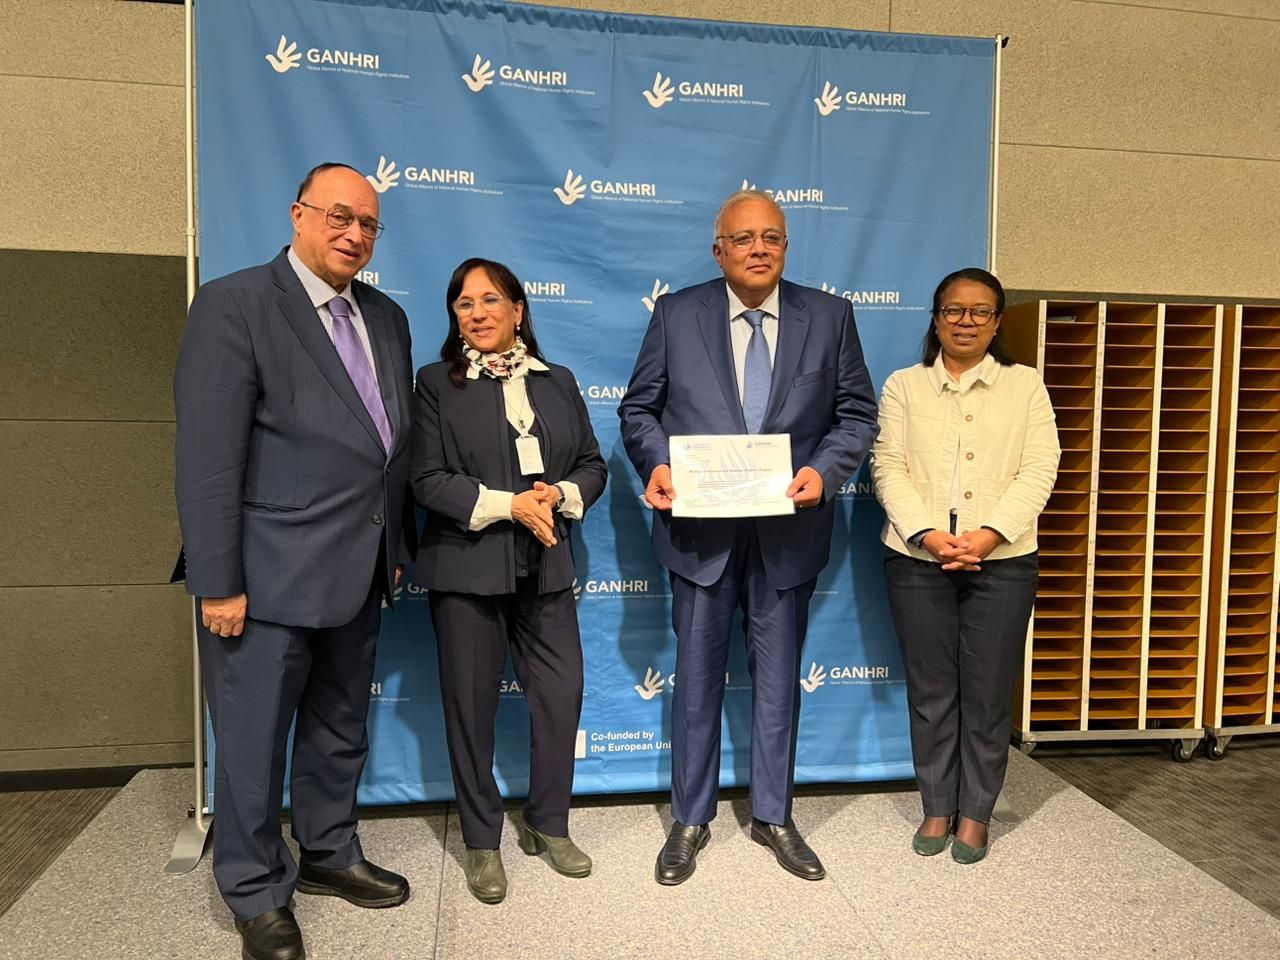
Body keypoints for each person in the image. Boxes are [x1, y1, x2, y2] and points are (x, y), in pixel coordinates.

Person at [174, 162, 415, 960]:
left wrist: (394, 547)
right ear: (299, 214)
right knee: (250, 746)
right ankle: (255, 890)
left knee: (340, 729)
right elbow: (208, 458)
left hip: (361, 568)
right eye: (339, 216)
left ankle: (328, 851)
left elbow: (389, 446)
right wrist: (217, 582)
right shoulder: (236, 304)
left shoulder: (386, 317)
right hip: (263, 579)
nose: (354, 234)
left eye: (369, 224)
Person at [618, 189, 879, 885]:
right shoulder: (676, 315)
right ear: (719, 250)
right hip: (699, 537)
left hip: (789, 535)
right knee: (696, 682)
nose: (759, 249)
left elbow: (857, 414)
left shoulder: (830, 316)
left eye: (772, 237)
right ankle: (690, 818)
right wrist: (658, 463)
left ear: (786, 245)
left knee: (779, 684)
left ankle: (774, 815)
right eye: (743, 238)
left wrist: (825, 471)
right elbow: (639, 409)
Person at [409, 258, 607, 904]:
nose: (478, 313)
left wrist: (560, 494)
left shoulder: (558, 381)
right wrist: (509, 505)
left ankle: (548, 823)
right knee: (471, 709)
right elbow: (427, 479)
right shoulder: (435, 383)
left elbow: (592, 465)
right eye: (464, 304)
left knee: (562, 694)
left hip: (545, 566)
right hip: (466, 570)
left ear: (518, 310)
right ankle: (480, 840)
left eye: (490, 300)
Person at [870, 267, 1059, 864]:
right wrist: (927, 534)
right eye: (954, 310)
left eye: (980, 311)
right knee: (931, 691)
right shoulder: (904, 386)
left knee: (986, 692)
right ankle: (937, 805)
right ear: (936, 319)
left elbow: (1041, 466)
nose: (966, 321)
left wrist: (990, 534)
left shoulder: (1024, 385)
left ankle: (976, 812)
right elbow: (887, 466)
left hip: (1003, 561)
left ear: (997, 322)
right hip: (916, 559)